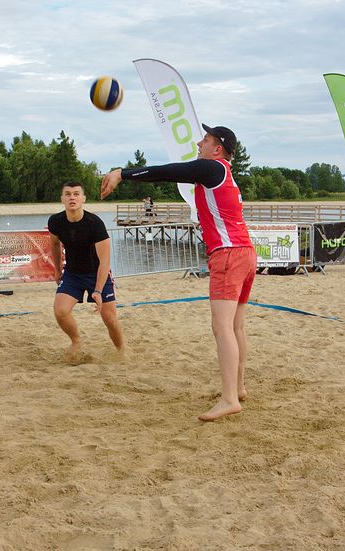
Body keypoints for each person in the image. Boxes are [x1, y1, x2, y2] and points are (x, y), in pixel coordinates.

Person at [101, 124, 257, 421]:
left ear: (218, 149)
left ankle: (229, 399)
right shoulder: (225, 173)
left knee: (222, 327)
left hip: (228, 254)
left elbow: (167, 172)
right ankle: (238, 388)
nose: (199, 143)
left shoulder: (212, 168)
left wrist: (123, 173)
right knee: (236, 326)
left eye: (206, 139)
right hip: (245, 253)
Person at [48, 181, 125, 364]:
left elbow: (105, 262)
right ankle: (76, 341)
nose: (72, 197)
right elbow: (54, 244)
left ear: (83, 198)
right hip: (72, 273)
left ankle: (121, 349)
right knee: (60, 311)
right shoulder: (56, 221)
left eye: (76, 194)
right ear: (62, 199)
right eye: (68, 194)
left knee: (109, 319)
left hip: (97, 272)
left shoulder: (95, 224)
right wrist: (57, 269)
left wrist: (97, 291)